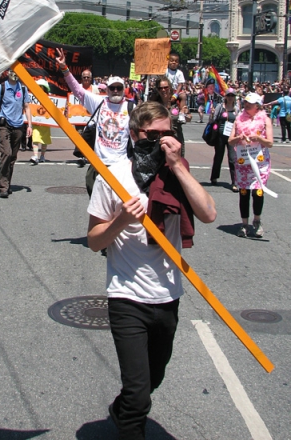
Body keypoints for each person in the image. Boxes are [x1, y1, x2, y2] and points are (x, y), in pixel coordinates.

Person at [87, 101, 216, 439]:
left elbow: (208, 214)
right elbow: (94, 241)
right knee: (138, 394)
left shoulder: (175, 174)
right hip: (126, 298)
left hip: (167, 296)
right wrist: (121, 220)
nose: (161, 141)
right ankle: (129, 417)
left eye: (167, 134)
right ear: (134, 134)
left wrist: (178, 166)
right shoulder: (113, 178)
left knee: (152, 379)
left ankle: (121, 409)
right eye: (152, 134)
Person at [56, 48, 134, 196]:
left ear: (124, 89)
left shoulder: (131, 107)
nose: (116, 91)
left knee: (118, 204)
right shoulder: (99, 102)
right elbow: (78, 90)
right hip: (98, 163)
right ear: (108, 89)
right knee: (96, 203)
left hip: (122, 164)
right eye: (112, 88)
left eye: (119, 88)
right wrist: (64, 68)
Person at [228, 92, 273, 238]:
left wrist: (259, 138)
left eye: (250, 103)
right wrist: (239, 137)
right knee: (244, 192)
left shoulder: (265, 120)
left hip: (260, 162)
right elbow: (230, 141)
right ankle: (244, 223)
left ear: (257, 106)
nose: (247, 105)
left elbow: (270, 143)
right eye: (246, 103)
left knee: (258, 192)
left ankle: (257, 221)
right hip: (243, 162)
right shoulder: (239, 119)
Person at [0, 69, 32, 198]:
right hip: (5, 124)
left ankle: (7, 183)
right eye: (12, 72)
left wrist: (30, 125)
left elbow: (27, 107)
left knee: (13, 157)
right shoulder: (1, 87)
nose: (15, 75)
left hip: (18, 125)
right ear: (8, 73)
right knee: (6, 154)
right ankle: (3, 186)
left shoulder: (23, 88)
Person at [150, 76, 191, 156]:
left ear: (170, 88)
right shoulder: (155, 104)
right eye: (160, 88)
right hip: (159, 143)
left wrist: (185, 114)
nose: (163, 90)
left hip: (176, 140)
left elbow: (189, 118)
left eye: (166, 87)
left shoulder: (178, 101)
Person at [209, 88, 239, 191]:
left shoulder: (236, 108)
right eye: (229, 95)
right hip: (220, 136)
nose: (230, 97)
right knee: (218, 157)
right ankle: (214, 177)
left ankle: (234, 182)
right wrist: (212, 114)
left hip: (231, 137)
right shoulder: (220, 107)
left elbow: (239, 122)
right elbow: (214, 120)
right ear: (225, 96)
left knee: (232, 158)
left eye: (232, 95)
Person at [30, 79, 52, 164]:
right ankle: (35, 155)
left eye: (41, 86)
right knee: (35, 138)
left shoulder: (49, 97)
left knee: (44, 140)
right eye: (38, 86)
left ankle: (42, 156)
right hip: (36, 121)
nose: (39, 88)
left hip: (45, 122)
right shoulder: (33, 96)